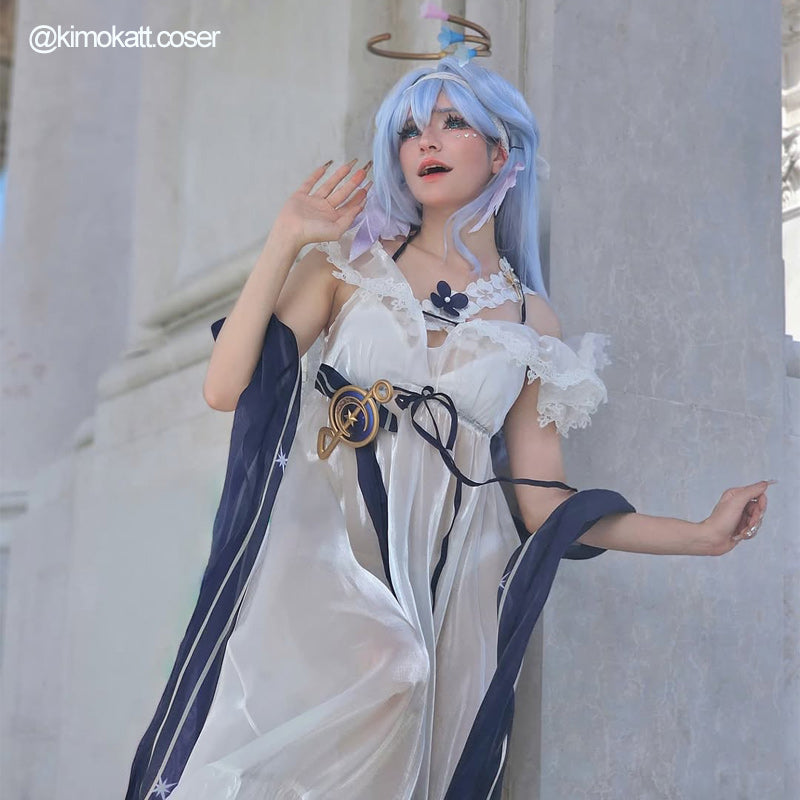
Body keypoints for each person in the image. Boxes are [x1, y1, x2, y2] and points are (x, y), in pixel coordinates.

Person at [125, 56, 772, 800]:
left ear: (501, 153)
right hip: (330, 540)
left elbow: (544, 503)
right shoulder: (347, 266)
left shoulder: (531, 320)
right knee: (371, 680)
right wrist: (285, 240)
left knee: (408, 749)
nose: (425, 142)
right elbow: (225, 387)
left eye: (452, 122)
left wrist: (699, 535)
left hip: (451, 573)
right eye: (409, 130)